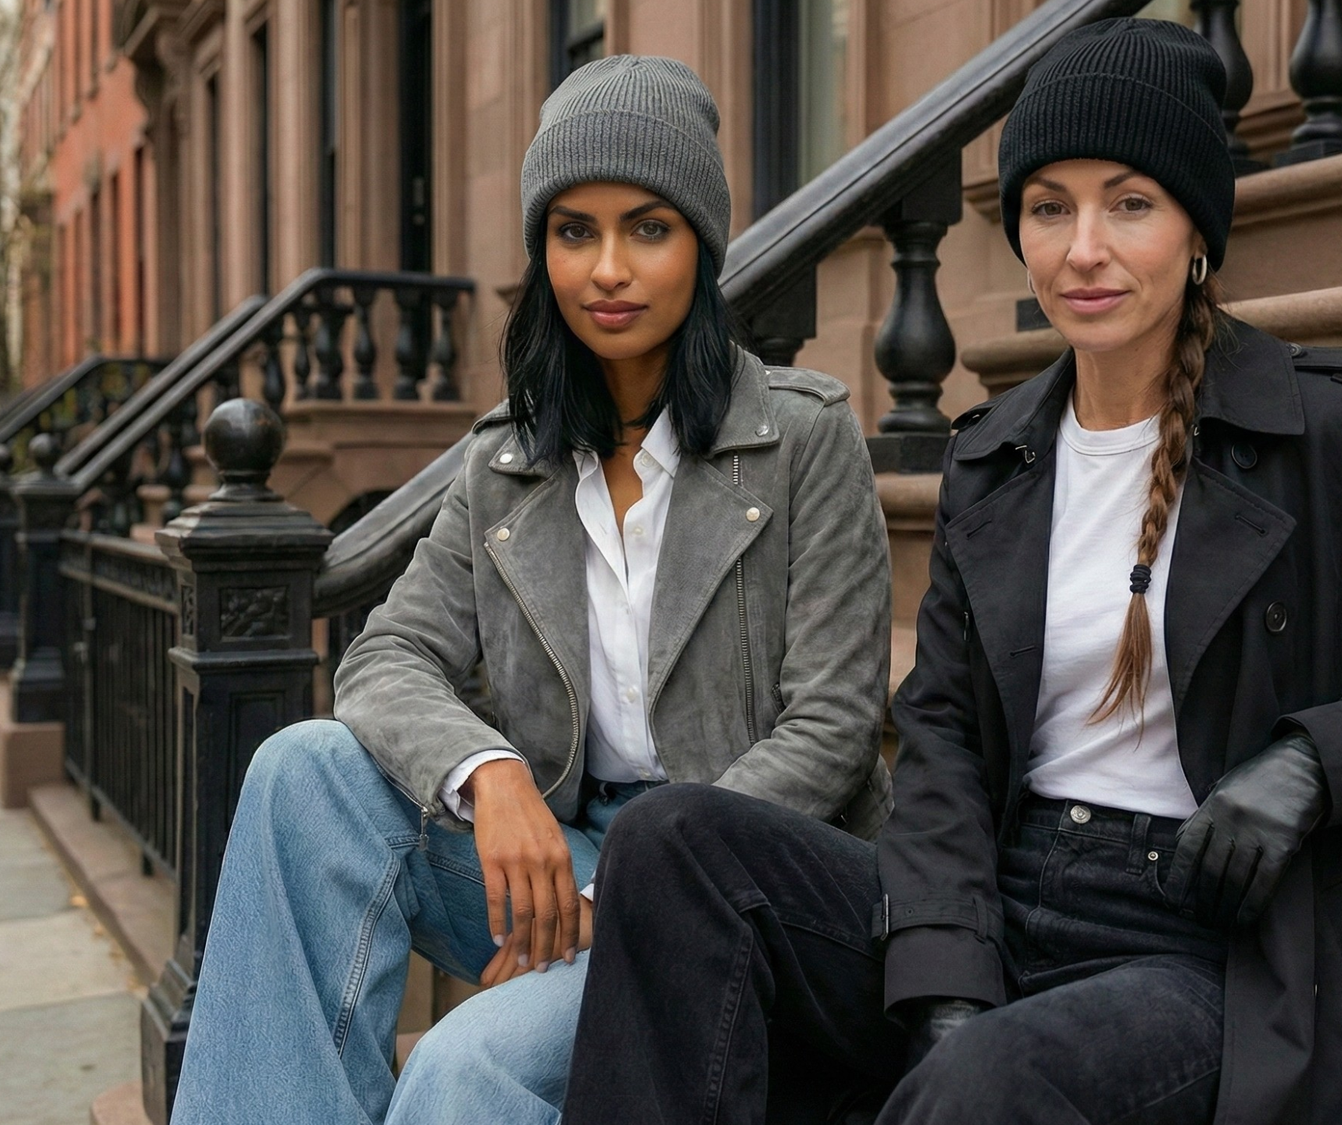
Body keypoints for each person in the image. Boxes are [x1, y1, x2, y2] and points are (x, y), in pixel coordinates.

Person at [561, 19, 1342, 1125]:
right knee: (674, 843)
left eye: (1128, 203)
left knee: (985, 1083)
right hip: (1002, 895)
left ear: (1197, 229)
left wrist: (1314, 761)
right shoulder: (996, 457)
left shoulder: (1321, 431)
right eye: (1048, 207)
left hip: (1198, 946)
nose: (1081, 248)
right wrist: (946, 979)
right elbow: (944, 738)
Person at [169, 55, 893, 1125]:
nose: (607, 268)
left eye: (647, 228)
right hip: (556, 857)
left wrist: (620, 897)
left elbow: (831, 727)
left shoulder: (801, 439)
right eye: (572, 231)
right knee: (303, 768)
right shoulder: (507, 462)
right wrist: (490, 773)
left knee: (460, 1075)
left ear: (701, 243)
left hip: (723, 893)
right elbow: (386, 655)